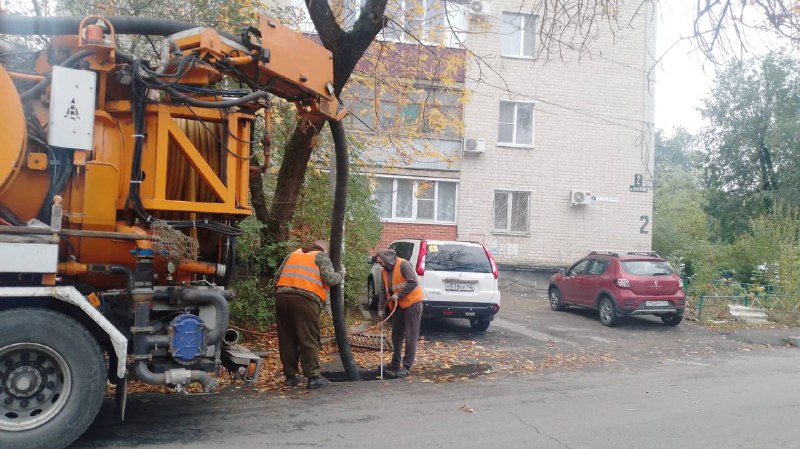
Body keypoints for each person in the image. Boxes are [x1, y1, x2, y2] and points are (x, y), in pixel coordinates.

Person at [275, 239, 345, 389]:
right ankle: (313, 377)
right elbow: (331, 279)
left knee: (287, 338)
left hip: (281, 298)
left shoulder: (293, 254)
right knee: (308, 338)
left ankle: (290, 377)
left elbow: (277, 276)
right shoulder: (320, 256)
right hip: (305, 300)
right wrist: (341, 273)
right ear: (324, 249)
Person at [375, 249, 423, 378]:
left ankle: (407, 366)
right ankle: (395, 363)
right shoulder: (384, 271)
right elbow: (383, 290)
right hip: (398, 306)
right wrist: (381, 308)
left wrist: (399, 295)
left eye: (381, 262)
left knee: (410, 336)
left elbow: (413, 282)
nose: (380, 265)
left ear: (386, 259)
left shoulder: (404, 264)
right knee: (396, 335)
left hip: (412, 304)